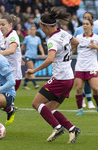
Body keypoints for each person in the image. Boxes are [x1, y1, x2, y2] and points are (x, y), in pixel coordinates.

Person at [26, 7, 81, 144]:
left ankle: (57, 127)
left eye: (40, 25)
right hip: (69, 77)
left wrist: (34, 70)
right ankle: (72, 128)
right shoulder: (63, 33)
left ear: (44, 26)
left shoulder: (52, 40)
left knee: (36, 103)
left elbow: (50, 59)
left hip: (60, 79)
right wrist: (66, 56)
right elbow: (76, 43)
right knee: (50, 109)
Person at [73, 18, 98, 115]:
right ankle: (80, 109)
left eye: (87, 24)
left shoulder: (96, 37)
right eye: (83, 24)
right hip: (80, 66)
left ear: (91, 26)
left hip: (92, 66)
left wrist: (96, 47)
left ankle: (97, 105)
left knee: (95, 88)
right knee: (78, 88)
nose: (85, 26)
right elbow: (73, 47)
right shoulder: (78, 37)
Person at [21, 25, 45, 90]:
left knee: (29, 71)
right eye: (31, 29)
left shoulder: (38, 38)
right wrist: (20, 54)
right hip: (28, 55)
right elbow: (23, 46)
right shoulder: (27, 38)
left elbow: (40, 46)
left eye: (34, 29)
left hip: (34, 56)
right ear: (29, 30)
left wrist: (42, 53)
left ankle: (24, 85)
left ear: (36, 30)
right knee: (32, 69)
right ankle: (35, 84)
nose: (33, 30)